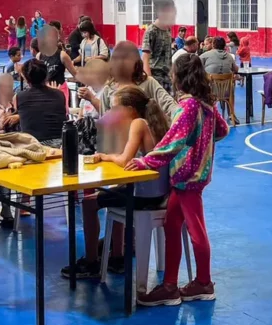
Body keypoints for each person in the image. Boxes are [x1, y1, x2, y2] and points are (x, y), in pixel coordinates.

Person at [127, 54, 229, 306]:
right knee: (172, 224)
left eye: (174, 72)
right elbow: (222, 130)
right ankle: (170, 286)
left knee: (196, 230)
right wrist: (201, 139)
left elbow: (173, 142)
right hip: (194, 175)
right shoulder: (206, 104)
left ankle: (203, 282)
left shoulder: (188, 107)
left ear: (179, 77)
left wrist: (147, 161)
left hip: (187, 176)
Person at [62, 86, 171, 279]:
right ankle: (117, 257)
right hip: (159, 193)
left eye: (115, 108)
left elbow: (124, 159)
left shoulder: (138, 123)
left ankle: (91, 262)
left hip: (143, 196)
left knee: (89, 203)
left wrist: (106, 156)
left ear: (130, 109)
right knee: (115, 192)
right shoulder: (155, 123)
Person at [86, 41, 179, 122]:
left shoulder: (148, 82)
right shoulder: (108, 89)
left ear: (136, 63)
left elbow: (169, 104)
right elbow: (104, 120)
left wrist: (179, 116)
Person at [7, 59, 67, 147]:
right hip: (61, 143)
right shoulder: (59, 94)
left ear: (26, 78)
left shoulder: (19, 97)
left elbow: (32, 110)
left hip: (34, 145)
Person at [141, 0, 176, 92]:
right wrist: (150, 81)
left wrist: (172, 75)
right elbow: (145, 58)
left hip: (167, 77)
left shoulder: (168, 29)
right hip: (155, 77)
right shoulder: (151, 31)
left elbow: (168, 55)